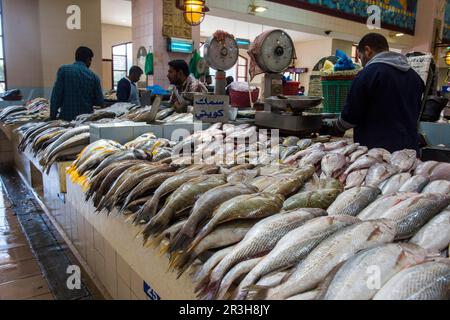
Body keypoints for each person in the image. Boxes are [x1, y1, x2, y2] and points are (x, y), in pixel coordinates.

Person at [331, 33, 425, 153]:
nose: (363, 63)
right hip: (409, 150)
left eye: (360, 58)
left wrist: (337, 127)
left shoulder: (368, 74)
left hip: (378, 153)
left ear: (367, 50)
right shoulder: (415, 77)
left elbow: (351, 115)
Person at [50, 46, 104, 121]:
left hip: (66, 119)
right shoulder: (94, 77)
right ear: (88, 59)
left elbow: (56, 97)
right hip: (85, 120)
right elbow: (100, 102)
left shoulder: (64, 70)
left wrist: (52, 117)